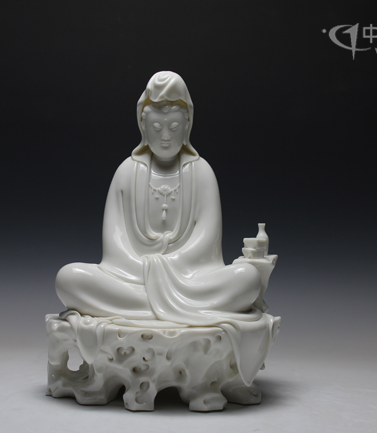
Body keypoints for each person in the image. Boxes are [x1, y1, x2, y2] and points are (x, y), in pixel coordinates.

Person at [55, 71, 265, 326]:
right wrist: (147, 271)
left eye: (174, 127)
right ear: (143, 127)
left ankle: (144, 308)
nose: (165, 136)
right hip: (132, 277)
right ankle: (173, 308)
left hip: (188, 278)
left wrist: (165, 269)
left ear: (187, 126)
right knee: (69, 278)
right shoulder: (126, 172)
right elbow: (115, 244)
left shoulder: (202, 172)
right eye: (156, 127)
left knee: (247, 278)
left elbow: (206, 241)